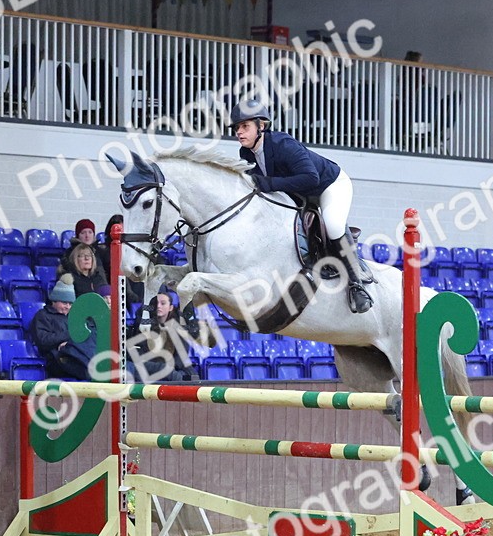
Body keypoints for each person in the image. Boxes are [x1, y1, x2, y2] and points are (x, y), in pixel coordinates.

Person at [230, 98, 372, 313]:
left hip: (329, 186)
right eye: (237, 128)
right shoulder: (246, 153)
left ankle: (356, 285)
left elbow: (311, 178)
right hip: (300, 195)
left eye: (245, 126)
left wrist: (270, 183)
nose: (239, 132)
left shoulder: (283, 145)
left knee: (333, 225)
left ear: (261, 126)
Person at [129, 291, 210, 381]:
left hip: (174, 365)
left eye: (163, 303)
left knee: (192, 376)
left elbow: (181, 358)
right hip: (152, 365)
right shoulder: (144, 324)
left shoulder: (178, 324)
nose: (158, 306)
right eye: (156, 304)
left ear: (171, 307)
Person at [29, 278, 97, 380]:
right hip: (57, 358)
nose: (68, 307)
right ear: (54, 301)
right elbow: (43, 340)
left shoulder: (75, 316)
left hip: (78, 353)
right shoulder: (43, 316)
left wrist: (70, 343)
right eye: (64, 303)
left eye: (70, 304)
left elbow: (88, 331)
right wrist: (70, 338)